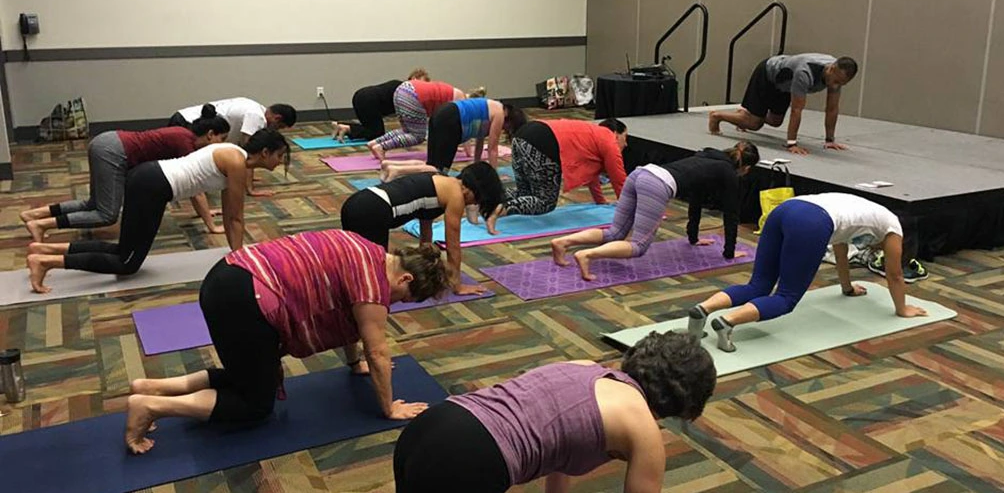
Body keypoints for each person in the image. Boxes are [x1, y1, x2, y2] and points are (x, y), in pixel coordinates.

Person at [122, 230, 454, 454]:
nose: (393, 303)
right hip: (244, 300)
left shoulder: (365, 248)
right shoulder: (372, 286)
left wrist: (354, 364)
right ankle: (152, 406)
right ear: (405, 277)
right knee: (255, 404)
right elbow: (377, 348)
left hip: (228, 276)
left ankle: (154, 386)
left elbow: (349, 322)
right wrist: (389, 407)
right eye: (404, 297)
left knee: (249, 376)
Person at [392, 330, 716, 492]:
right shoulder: (644, 428)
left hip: (432, 425)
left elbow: (559, 452)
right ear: (682, 403)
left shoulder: (585, 367)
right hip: (469, 459)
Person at [25, 129, 290, 294]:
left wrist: (235, 253)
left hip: (149, 179)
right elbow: (234, 217)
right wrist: (240, 260)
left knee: (124, 250)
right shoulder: (236, 162)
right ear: (265, 152)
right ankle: (45, 263)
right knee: (127, 264)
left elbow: (230, 210)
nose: (280, 163)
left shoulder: (232, 151)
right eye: (279, 156)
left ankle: (49, 250)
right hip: (152, 186)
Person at [687, 192, 929, 353]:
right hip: (811, 222)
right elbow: (895, 275)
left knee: (758, 285)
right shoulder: (894, 229)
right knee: (786, 297)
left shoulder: (871, 212)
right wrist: (902, 309)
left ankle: (703, 310)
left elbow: (840, 249)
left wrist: (847, 287)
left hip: (786, 209)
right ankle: (728, 322)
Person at [551, 141, 760, 281]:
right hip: (656, 185)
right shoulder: (728, 173)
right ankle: (587, 255)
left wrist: (693, 238)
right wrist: (730, 253)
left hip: (641, 172)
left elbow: (696, 200)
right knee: (639, 245)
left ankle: (563, 242)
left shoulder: (707, 157)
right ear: (746, 168)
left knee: (616, 232)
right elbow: (732, 215)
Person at [19, 105, 231, 242]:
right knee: (107, 215)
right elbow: (196, 191)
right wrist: (211, 226)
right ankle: (41, 225)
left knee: (94, 204)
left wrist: (205, 212)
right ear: (211, 135)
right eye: (222, 139)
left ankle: (35, 214)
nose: (223, 145)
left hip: (107, 142)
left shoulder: (183, 134)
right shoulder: (185, 142)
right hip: (113, 152)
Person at [340, 163, 503, 295]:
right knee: (378, 273)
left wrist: (424, 265)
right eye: (478, 200)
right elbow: (453, 245)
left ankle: (345, 289)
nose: (474, 204)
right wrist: (457, 285)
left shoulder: (440, 180)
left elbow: (426, 227)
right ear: (473, 190)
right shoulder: (456, 195)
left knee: (358, 259)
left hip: (357, 203)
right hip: (372, 211)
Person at [484, 118, 628, 234]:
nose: (626, 143)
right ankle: (500, 209)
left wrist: (600, 200)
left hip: (522, 135)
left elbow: (592, 176)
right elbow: (619, 180)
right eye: (625, 137)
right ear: (615, 133)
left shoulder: (592, 133)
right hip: (543, 142)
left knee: (524, 193)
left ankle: (483, 196)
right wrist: (629, 211)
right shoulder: (609, 140)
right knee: (545, 202)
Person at [709, 54, 858, 155]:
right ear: (831, 68)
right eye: (836, 81)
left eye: (841, 83)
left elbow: (832, 109)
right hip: (768, 74)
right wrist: (792, 144)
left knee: (775, 121)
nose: (836, 85)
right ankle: (717, 116)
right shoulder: (804, 73)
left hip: (785, 85)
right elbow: (796, 110)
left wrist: (830, 140)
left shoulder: (836, 75)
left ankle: (747, 114)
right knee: (755, 124)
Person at [170, 98, 297, 196]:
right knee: (188, 171)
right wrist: (250, 189)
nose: (276, 130)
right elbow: (249, 152)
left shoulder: (255, 107)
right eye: (279, 126)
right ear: (277, 118)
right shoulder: (256, 117)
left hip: (184, 118)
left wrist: (243, 174)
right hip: (186, 123)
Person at [379, 99, 516, 181]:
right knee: (439, 171)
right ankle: (397, 171)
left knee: (431, 164)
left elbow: (480, 142)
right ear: (510, 120)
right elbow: (492, 150)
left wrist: (477, 166)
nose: (504, 129)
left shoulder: (491, 106)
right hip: (451, 120)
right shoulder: (499, 115)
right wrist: (493, 178)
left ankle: (390, 164)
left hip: (442, 113)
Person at [368, 79, 470, 161]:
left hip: (402, 90)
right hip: (413, 95)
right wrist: (469, 153)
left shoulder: (453, 92)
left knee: (407, 130)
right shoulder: (461, 99)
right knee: (418, 136)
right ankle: (382, 147)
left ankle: (375, 143)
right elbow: (464, 127)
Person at [332, 68, 431, 142]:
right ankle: (347, 128)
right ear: (413, 79)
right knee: (377, 133)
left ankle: (341, 125)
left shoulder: (399, 85)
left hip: (360, 96)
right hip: (368, 101)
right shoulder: (404, 91)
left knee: (370, 127)